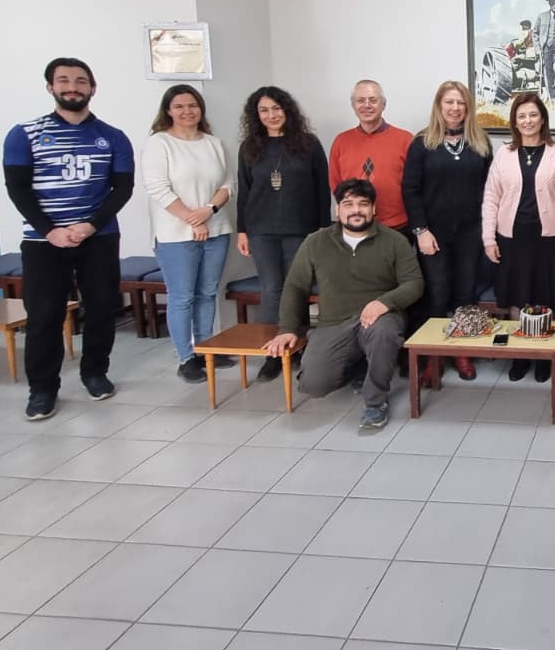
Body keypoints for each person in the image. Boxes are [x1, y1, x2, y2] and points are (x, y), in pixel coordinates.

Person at [3, 58, 134, 421]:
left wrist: (90, 225)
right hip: (43, 241)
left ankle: (95, 372)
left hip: (99, 237)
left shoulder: (113, 136)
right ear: (50, 87)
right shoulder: (24, 134)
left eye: (80, 81)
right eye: (63, 80)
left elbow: (122, 188)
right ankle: (42, 389)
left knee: (102, 307)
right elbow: (18, 189)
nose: (72, 87)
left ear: (92, 88)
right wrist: (50, 230)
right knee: (44, 314)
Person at [264, 179, 423, 431]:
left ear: (374, 209)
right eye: (348, 204)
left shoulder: (394, 241)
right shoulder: (316, 242)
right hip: (334, 322)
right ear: (338, 210)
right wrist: (286, 329)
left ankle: (375, 402)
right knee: (314, 386)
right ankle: (360, 365)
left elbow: (414, 283)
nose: (356, 210)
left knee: (384, 332)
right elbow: (295, 286)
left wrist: (384, 303)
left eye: (363, 204)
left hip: (379, 319)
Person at [482, 93, 555, 383]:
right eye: (521, 116)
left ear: (543, 119)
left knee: (545, 298)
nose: (527, 121)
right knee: (518, 298)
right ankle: (520, 355)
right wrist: (489, 238)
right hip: (512, 239)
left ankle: (544, 357)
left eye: (533, 115)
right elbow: (491, 198)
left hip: (549, 238)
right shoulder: (504, 154)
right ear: (514, 121)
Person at [236, 86, 330, 382]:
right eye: (264, 110)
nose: (271, 115)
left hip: (300, 230)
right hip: (261, 231)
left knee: (296, 288)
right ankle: (273, 353)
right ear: (256, 115)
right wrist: (242, 230)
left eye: (276, 108)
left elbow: (322, 189)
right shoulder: (249, 147)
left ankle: (297, 346)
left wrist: (322, 230)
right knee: (271, 289)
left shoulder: (308, 144)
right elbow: (244, 191)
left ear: (287, 110)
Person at [144, 84, 236, 383]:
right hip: (176, 234)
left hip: (216, 228)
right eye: (180, 106)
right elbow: (158, 188)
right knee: (182, 297)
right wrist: (192, 220)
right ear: (168, 111)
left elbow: (228, 184)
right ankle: (186, 357)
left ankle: (205, 348)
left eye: (193, 105)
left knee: (207, 293)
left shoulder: (213, 143)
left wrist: (208, 211)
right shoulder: (159, 143)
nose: (187, 111)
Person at [403, 80, 491, 380]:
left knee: (465, 293)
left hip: (470, 233)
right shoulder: (422, 143)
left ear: (468, 107)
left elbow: (490, 190)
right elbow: (410, 189)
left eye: (461, 103)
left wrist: (487, 230)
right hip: (433, 234)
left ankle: (461, 352)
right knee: (437, 294)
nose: (455, 108)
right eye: (449, 102)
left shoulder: (480, 143)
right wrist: (420, 230)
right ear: (439, 106)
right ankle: (434, 357)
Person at [328, 80, 412, 231]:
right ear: (353, 105)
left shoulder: (405, 140)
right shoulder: (341, 141)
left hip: (397, 227)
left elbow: (415, 185)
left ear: (384, 104)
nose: (367, 105)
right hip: (354, 225)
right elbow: (336, 184)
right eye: (360, 100)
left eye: (373, 100)